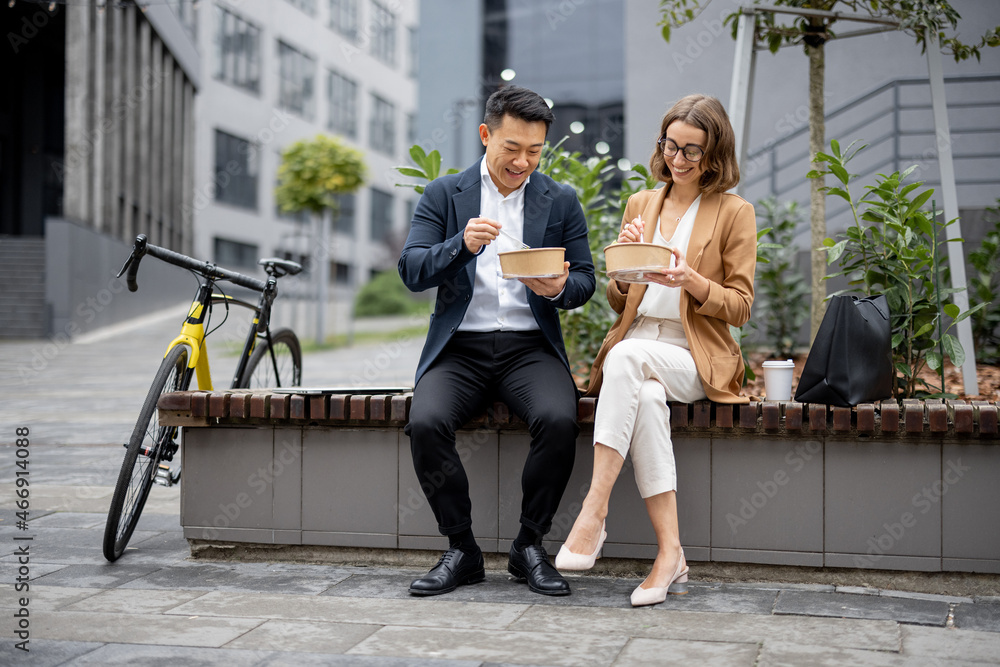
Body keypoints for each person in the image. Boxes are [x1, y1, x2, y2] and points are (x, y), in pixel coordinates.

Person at [554, 94, 756, 607]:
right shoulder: (643, 203)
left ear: (715, 156)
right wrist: (622, 272)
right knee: (642, 397)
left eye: (693, 150)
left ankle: (593, 510)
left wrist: (691, 279)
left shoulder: (735, 212)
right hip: (640, 338)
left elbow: (740, 306)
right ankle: (671, 554)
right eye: (671, 145)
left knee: (626, 359)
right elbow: (620, 300)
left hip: (695, 353)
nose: (679, 159)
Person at [398, 85, 596, 597]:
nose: (523, 161)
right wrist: (459, 246)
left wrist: (557, 288)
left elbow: (586, 282)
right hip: (460, 347)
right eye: (512, 148)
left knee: (558, 419)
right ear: (486, 135)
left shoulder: (560, 199)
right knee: (425, 421)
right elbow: (412, 270)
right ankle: (461, 548)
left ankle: (529, 545)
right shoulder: (445, 194)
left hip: (529, 348)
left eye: (535, 151)